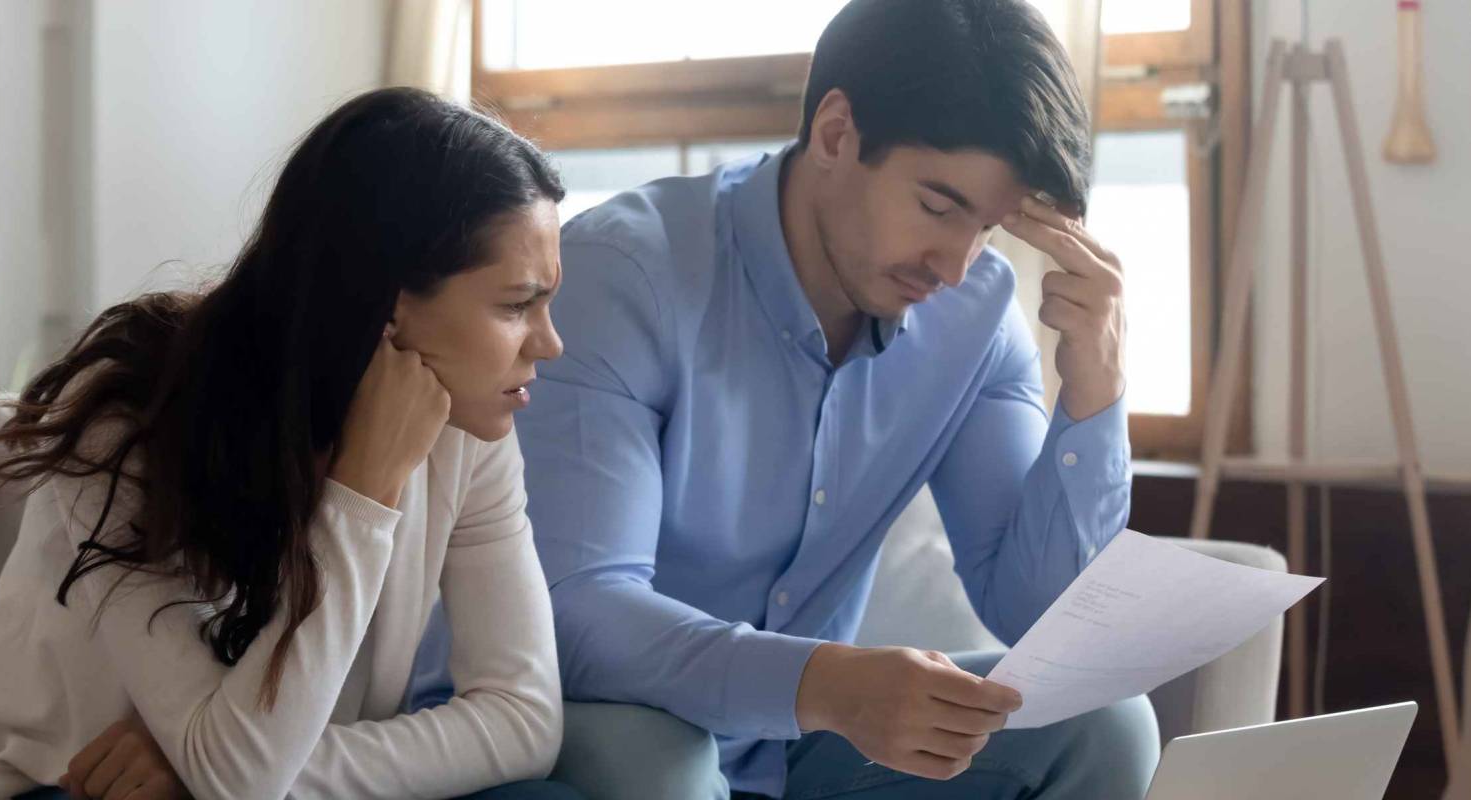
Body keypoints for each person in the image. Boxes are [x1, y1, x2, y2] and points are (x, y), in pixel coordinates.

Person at [410, 1, 1160, 797]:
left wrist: (1096, 386)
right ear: (836, 134)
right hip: (574, 730)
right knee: (670, 769)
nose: (955, 265)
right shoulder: (628, 275)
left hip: (783, 748)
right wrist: (826, 685)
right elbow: (577, 613)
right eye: (939, 208)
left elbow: (1040, 622)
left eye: (988, 228)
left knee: (1105, 722)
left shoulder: (973, 315)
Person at [0, 87, 581, 800]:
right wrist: (364, 491)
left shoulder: (468, 426)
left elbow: (525, 718)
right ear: (390, 302)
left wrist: (204, 765)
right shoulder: (132, 411)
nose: (550, 342)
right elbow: (238, 780)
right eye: (515, 304)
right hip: (45, 786)